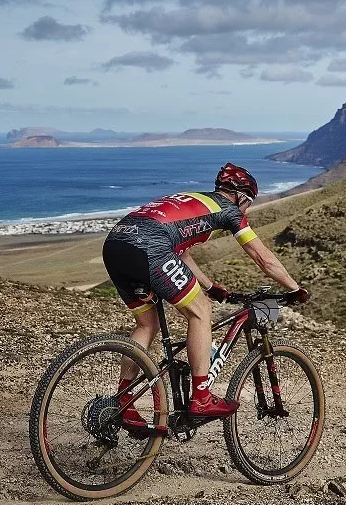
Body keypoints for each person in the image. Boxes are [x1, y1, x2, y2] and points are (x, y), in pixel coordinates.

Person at [101, 163, 308, 424]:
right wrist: (294, 288)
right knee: (201, 311)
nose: (246, 210)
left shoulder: (194, 201)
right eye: (248, 204)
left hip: (115, 244)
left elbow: (182, 252)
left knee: (146, 324)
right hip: (149, 247)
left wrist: (210, 286)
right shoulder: (229, 209)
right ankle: (201, 397)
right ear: (241, 196)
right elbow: (262, 258)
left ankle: (122, 399)